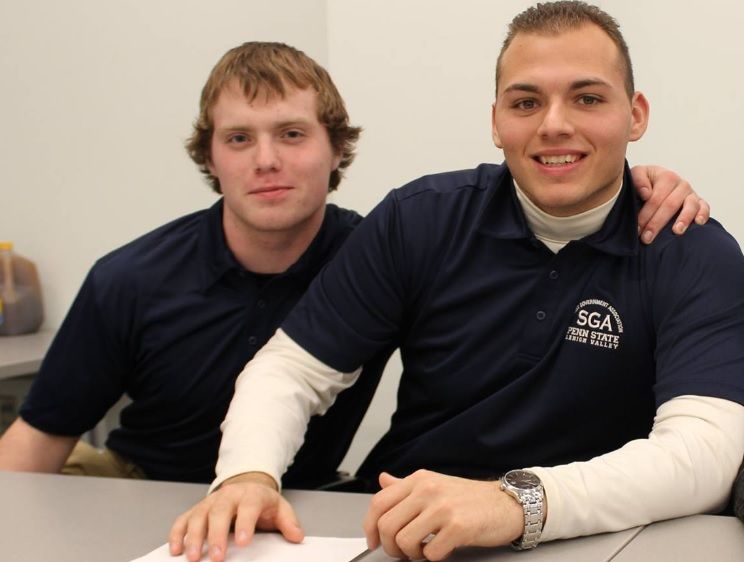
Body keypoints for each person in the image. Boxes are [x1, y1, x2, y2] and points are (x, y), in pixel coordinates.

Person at [168, 3, 744, 562]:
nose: (554, 124)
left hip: (599, 539)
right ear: (496, 120)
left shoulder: (692, 252)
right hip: (401, 532)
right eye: (526, 102)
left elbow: (704, 454)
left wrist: (515, 503)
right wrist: (247, 474)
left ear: (635, 114)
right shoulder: (420, 220)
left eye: (588, 98)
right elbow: (291, 369)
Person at [0, 42, 393, 488]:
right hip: (137, 489)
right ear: (210, 157)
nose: (266, 161)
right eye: (239, 139)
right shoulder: (129, 279)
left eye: (291, 134)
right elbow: (35, 446)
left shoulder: (379, 262)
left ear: (337, 147)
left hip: (301, 501)